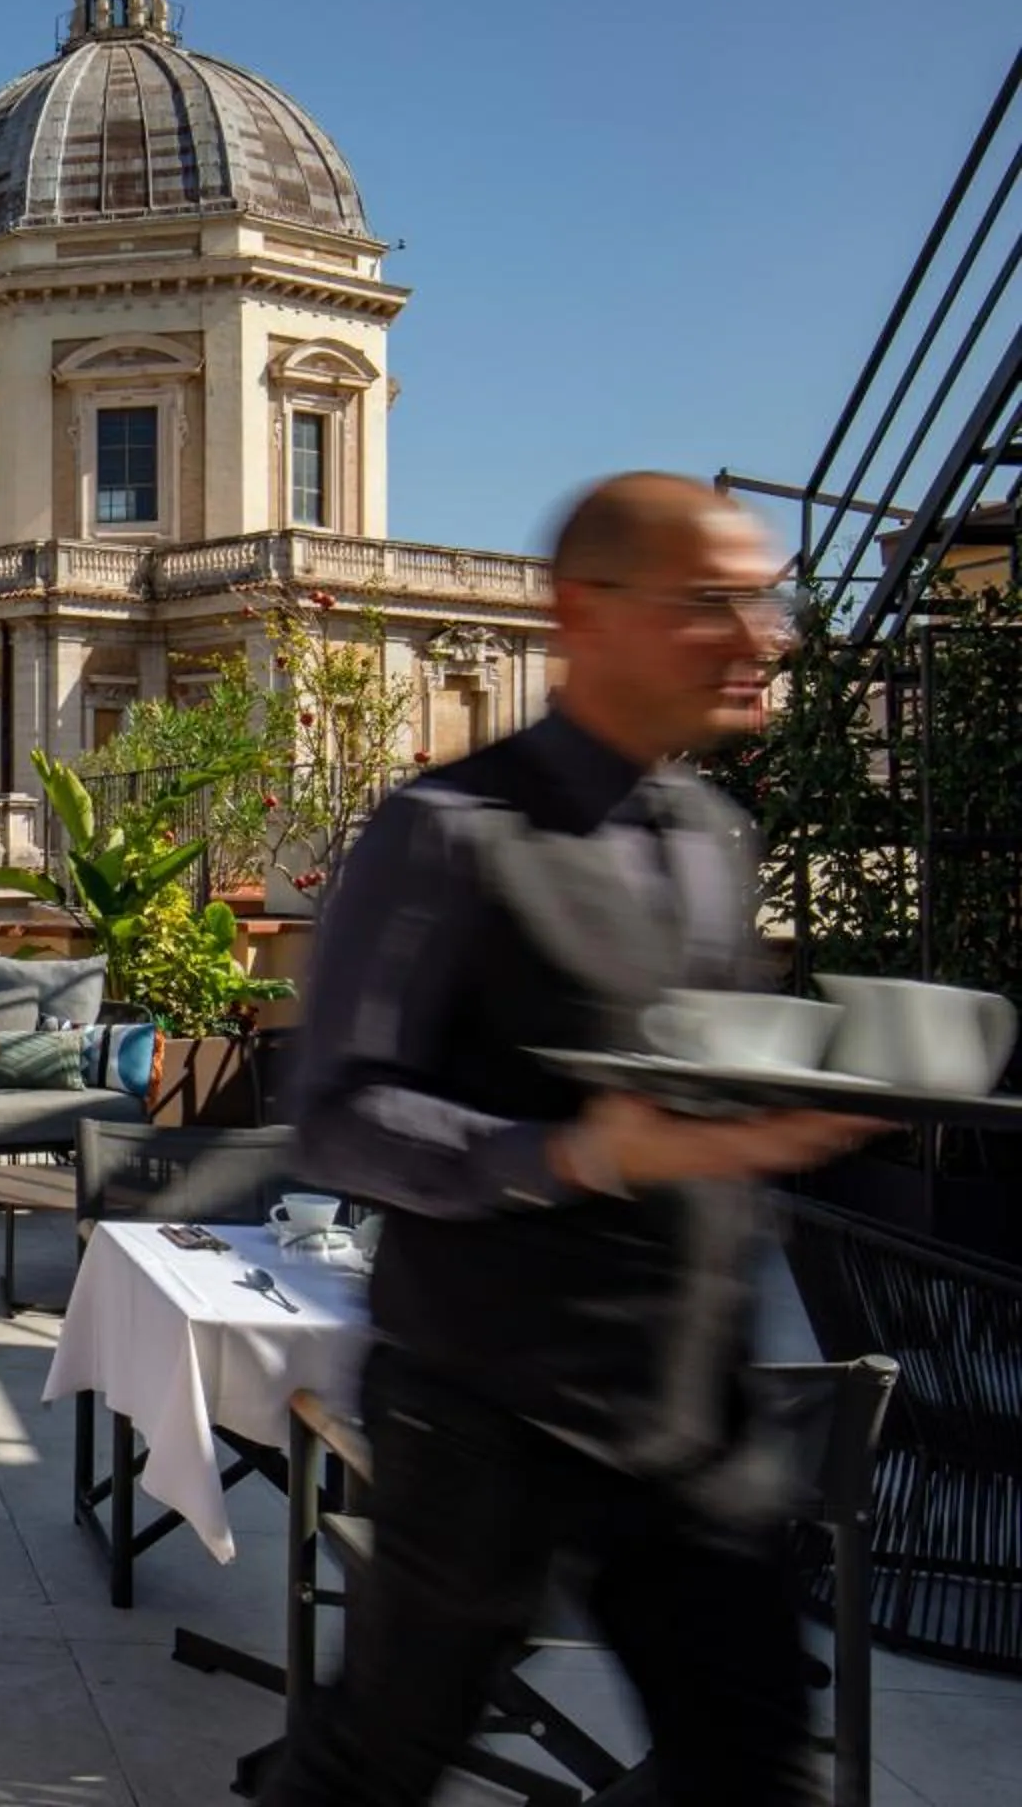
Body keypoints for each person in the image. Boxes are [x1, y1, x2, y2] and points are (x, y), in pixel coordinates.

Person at [264, 472, 883, 1807]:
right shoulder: (443, 833)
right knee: (379, 1761)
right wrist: (576, 1156)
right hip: (485, 1412)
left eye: (762, 599)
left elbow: (688, 1091)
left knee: (751, 1764)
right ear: (583, 614)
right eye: (711, 601)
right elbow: (337, 1114)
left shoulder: (715, 835)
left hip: (688, 1416)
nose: (762, 633)